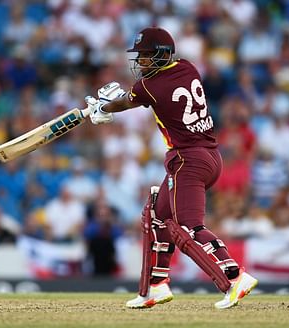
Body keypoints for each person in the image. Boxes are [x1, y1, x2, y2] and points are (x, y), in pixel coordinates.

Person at [85, 27, 258, 309]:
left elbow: (126, 102)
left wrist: (102, 108)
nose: (140, 62)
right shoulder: (187, 67)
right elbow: (135, 96)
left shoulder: (150, 87)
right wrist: (111, 104)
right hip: (209, 156)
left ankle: (234, 277)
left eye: (145, 56)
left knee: (188, 227)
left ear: (162, 55)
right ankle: (156, 285)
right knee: (155, 214)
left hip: (188, 160)